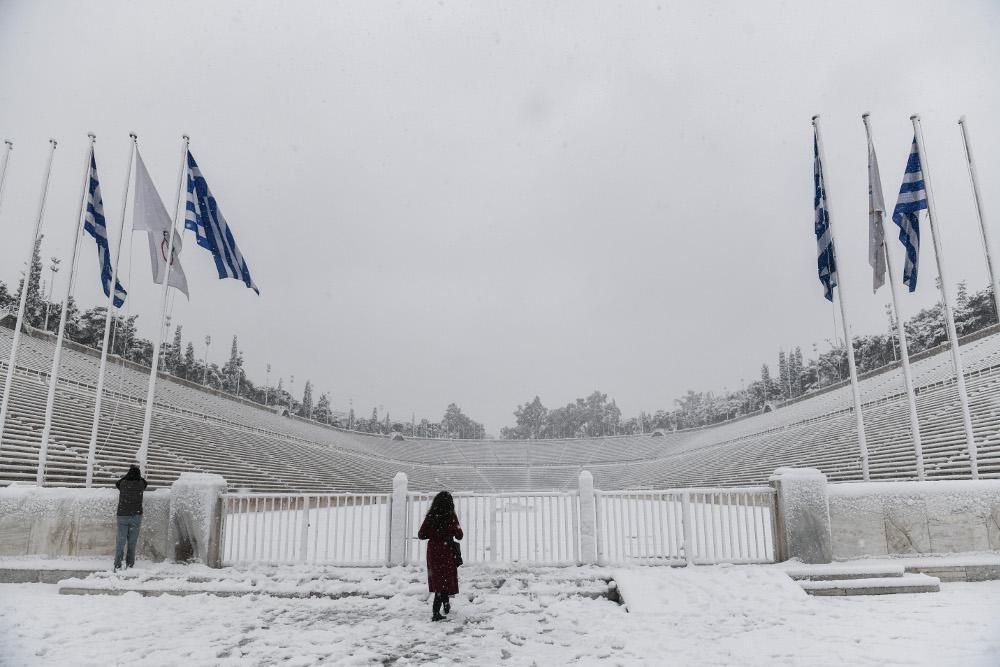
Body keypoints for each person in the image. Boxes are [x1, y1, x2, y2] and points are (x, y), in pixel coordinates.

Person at [417, 491, 463, 621]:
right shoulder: (451, 516)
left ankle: (442, 606)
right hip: (447, 550)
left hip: (433, 551)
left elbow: (421, 535)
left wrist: (433, 533)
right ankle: (439, 609)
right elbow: (459, 535)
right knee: (446, 579)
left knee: (438, 580)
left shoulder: (431, 516)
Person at [114, 464, 148, 571]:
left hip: (123, 515)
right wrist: (137, 475)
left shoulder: (123, 483)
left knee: (121, 541)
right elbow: (145, 482)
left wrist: (127, 475)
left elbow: (117, 483)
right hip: (136, 516)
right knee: (132, 542)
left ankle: (118, 563)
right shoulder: (141, 484)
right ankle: (130, 563)